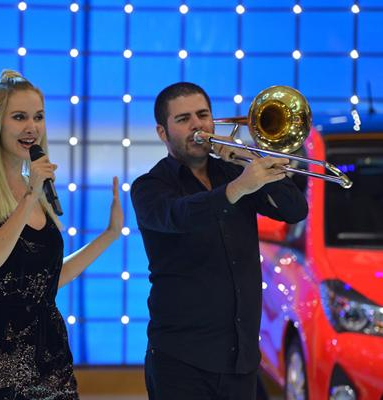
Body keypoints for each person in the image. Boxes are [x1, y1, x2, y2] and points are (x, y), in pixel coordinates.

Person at [0, 70, 123, 399]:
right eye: (19, 117)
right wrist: (29, 197)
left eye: (38, 117)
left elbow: (46, 278)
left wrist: (109, 234)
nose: (32, 127)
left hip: (46, 346)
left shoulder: (35, 188)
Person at [130, 82, 308, 400]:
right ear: (162, 132)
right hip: (180, 361)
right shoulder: (149, 187)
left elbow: (295, 210)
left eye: (203, 115)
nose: (197, 125)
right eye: (183, 119)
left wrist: (248, 159)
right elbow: (179, 216)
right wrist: (238, 188)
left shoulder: (235, 171)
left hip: (241, 360)